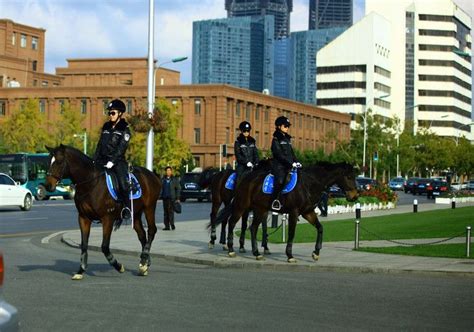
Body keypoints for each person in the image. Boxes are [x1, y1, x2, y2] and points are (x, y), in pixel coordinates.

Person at [93, 99, 132, 221]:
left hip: (118, 161)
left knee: (123, 184)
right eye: (109, 113)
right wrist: (94, 159)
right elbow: (100, 145)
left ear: (120, 113)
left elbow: (121, 148)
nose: (110, 115)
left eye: (113, 113)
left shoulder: (124, 129)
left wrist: (112, 161)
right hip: (102, 160)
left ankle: (126, 207)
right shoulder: (106, 127)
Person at [270, 116, 301, 211]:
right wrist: (290, 163)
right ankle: (275, 201)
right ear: (279, 126)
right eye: (285, 126)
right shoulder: (276, 139)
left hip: (289, 165)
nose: (287, 127)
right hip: (279, 165)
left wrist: (296, 161)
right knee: (280, 181)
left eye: (288, 126)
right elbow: (278, 154)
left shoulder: (287, 139)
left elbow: (292, 153)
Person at [160, 166, 181, 230]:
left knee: (171, 212)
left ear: (171, 171)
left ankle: (172, 224)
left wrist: (177, 198)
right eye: (167, 171)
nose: (168, 172)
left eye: (169, 170)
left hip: (171, 198)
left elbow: (178, 188)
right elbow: (161, 188)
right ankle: (167, 226)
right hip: (165, 198)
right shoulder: (163, 179)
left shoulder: (174, 179)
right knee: (165, 212)